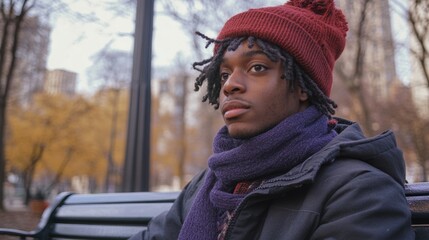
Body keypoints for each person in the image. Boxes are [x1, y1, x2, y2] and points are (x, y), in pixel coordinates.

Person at [130, 0, 414, 239]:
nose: (230, 86)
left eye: (256, 67)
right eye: (225, 74)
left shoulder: (360, 192)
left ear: (304, 87)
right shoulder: (210, 182)